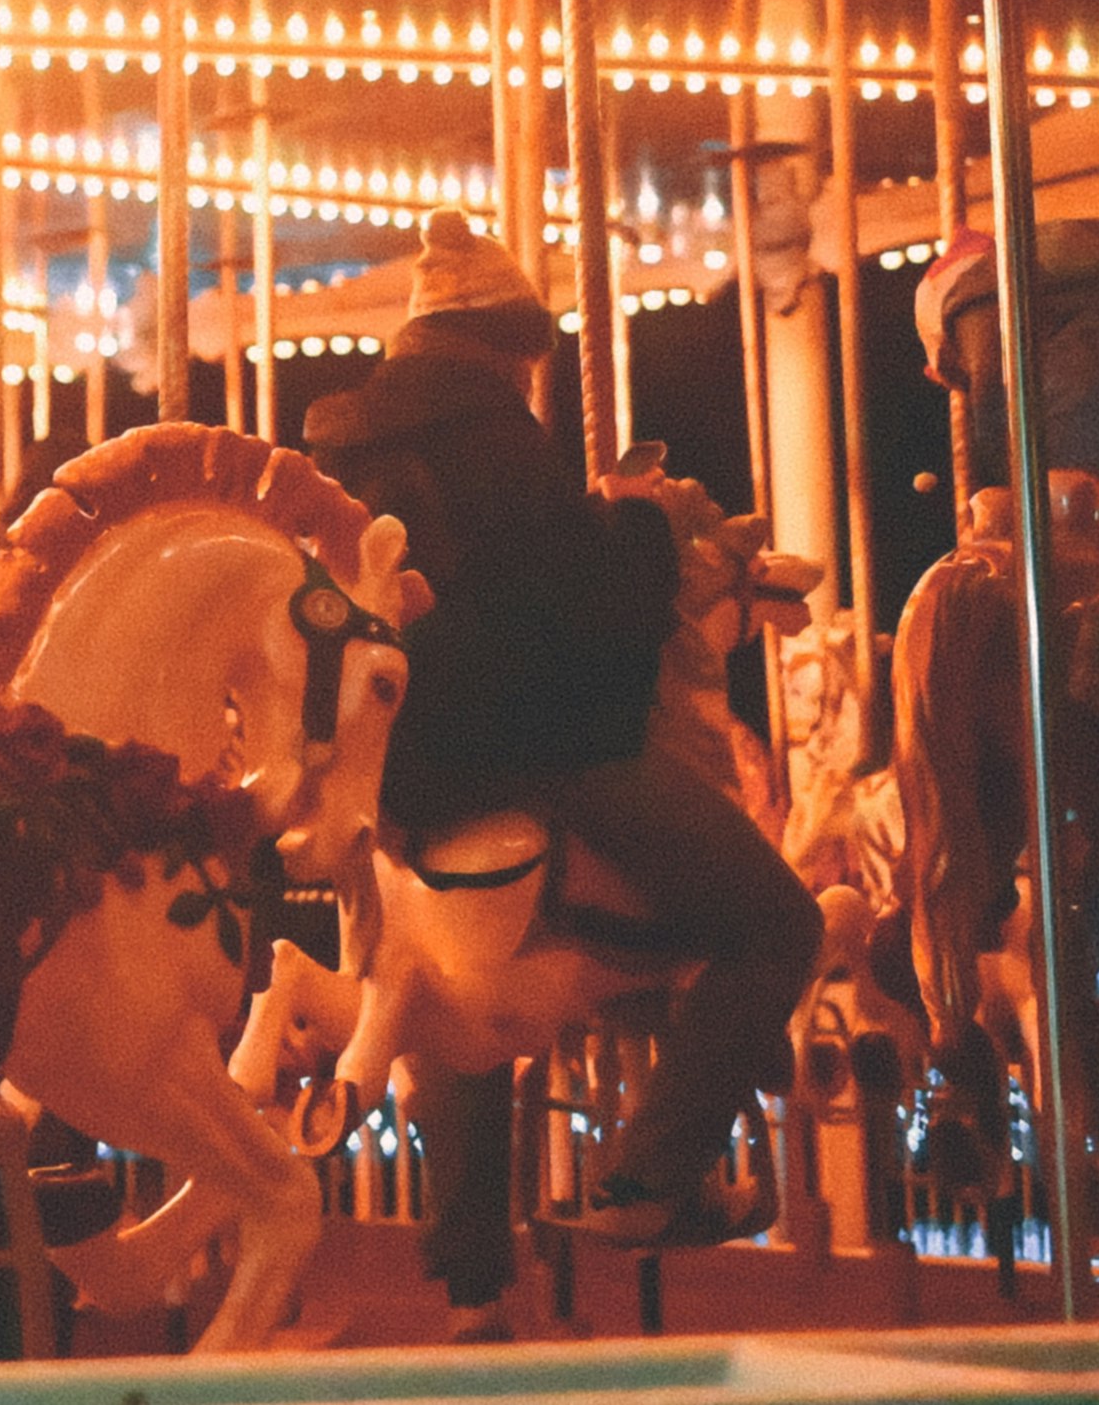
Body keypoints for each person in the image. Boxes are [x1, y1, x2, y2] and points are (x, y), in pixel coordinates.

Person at [304, 212, 821, 1326]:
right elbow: (593, 623)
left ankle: (472, 1262)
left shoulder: (338, 452)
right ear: (506, 350)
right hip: (537, 749)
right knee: (778, 922)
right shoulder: (498, 442)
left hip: (399, 778)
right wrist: (633, 530)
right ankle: (649, 1177)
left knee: (449, 995)